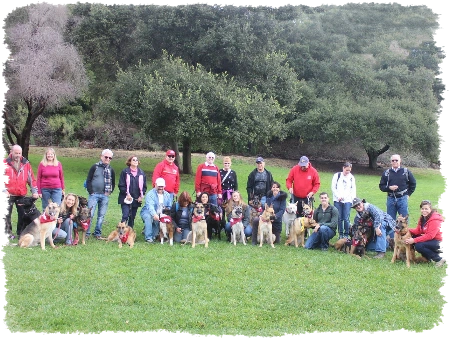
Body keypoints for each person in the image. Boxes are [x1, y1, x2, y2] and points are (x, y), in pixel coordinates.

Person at [0, 145, 38, 239]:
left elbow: (31, 179)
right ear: (11, 152)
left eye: (19, 153)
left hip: (21, 193)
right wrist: (3, 190)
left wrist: (34, 191)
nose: (18, 155)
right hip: (5, 192)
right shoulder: (3, 163)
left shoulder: (26, 164)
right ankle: (7, 233)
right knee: (5, 214)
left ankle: (21, 232)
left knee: (22, 214)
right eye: (16, 153)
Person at [404, 200, 448, 267]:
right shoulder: (423, 218)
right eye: (422, 209)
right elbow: (418, 231)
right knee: (415, 236)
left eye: (426, 209)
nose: (424, 210)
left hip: (444, 243)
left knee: (419, 245)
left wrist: (414, 240)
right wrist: (404, 230)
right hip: (435, 241)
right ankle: (427, 258)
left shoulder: (435, 219)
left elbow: (430, 236)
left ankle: (439, 259)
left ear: (430, 209)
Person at [85, 149, 116, 239]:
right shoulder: (95, 167)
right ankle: (86, 233)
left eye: (110, 158)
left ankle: (97, 233)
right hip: (94, 195)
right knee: (90, 214)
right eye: (106, 157)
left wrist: (109, 192)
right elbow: (88, 180)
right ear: (101, 156)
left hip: (104, 195)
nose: (108, 159)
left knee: (101, 215)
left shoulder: (111, 170)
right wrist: (91, 191)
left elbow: (113, 183)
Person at [379, 154, 416, 220]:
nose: (394, 162)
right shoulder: (386, 173)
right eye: (393, 160)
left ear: (400, 161)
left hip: (403, 198)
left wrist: (408, 194)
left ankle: (404, 231)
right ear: (390, 162)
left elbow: (413, 183)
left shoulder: (406, 171)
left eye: (396, 160)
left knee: (404, 220)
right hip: (391, 199)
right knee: (390, 220)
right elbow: (381, 186)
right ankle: (392, 231)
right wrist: (389, 188)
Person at [118, 155, 147, 228]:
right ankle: (121, 232)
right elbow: (121, 185)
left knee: (132, 217)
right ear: (130, 162)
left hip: (136, 199)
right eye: (133, 160)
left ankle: (129, 233)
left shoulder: (141, 173)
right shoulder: (125, 172)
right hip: (125, 198)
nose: (135, 161)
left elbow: (144, 186)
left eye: (136, 160)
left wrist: (141, 196)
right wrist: (127, 194)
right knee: (125, 215)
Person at [140, 177, 172, 243]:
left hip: (161, 214)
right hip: (148, 212)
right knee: (149, 217)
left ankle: (147, 230)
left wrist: (166, 216)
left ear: (164, 186)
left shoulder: (167, 195)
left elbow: (169, 206)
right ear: (155, 185)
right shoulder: (150, 194)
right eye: (159, 186)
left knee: (154, 235)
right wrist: (154, 215)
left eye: (162, 186)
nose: (160, 188)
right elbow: (150, 206)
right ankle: (148, 238)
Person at [331, 162, 356, 239]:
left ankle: (346, 233)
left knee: (346, 218)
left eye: (349, 170)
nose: (347, 172)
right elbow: (333, 187)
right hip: (338, 200)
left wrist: (352, 199)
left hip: (347, 200)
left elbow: (353, 189)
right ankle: (340, 233)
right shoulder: (337, 175)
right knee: (339, 217)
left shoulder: (351, 177)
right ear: (343, 168)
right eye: (346, 170)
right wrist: (338, 196)